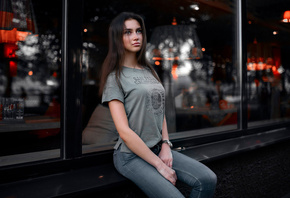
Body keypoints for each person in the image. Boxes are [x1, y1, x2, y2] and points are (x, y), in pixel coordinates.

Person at [99, 12, 217, 198]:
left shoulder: (149, 70)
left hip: (157, 148)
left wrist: (165, 145)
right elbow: (124, 132)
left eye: (138, 31)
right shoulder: (115, 78)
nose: (136, 36)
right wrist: (160, 165)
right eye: (127, 32)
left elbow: (158, 109)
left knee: (207, 179)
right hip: (130, 156)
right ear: (117, 38)